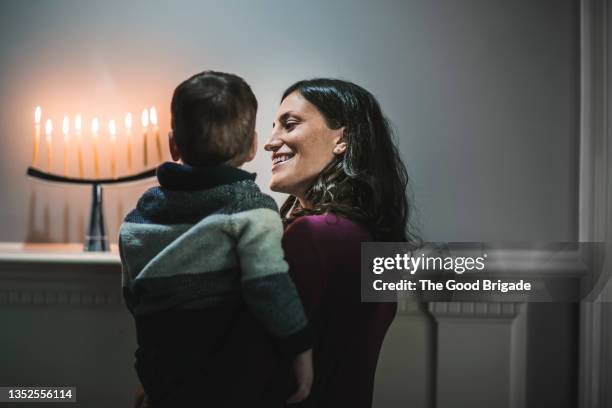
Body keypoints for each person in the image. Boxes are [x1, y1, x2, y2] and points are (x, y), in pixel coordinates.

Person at [118, 71, 313, 407]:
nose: (271, 141)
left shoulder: (138, 217)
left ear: (173, 144)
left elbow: (133, 294)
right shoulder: (251, 210)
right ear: (252, 145)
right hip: (224, 373)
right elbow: (268, 285)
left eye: (290, 124)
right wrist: (300, 349)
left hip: (158, 365)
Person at [265, 78, 417, 407]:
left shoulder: (312, 236)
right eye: (273, 127)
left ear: (342, 139)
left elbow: (264, 365)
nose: (270, 142)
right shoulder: (376, 238)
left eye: (289, 125)